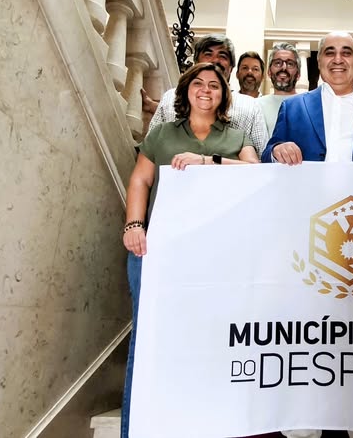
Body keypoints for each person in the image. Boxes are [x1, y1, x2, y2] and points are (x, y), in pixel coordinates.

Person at [120, 62, 259, 438]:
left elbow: (257, 174)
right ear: (185, 91)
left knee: (211, 337)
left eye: (214, 85)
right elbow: (140, 179)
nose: (205, 90)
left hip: (217, 257)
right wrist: (134, 225)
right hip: (158, 250)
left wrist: (209, 161)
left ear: (223, 95)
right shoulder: (162, 133)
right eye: (198, 83)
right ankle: (135, 428)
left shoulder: (237, 135)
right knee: (148, 335)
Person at [262, 31, 353, 167]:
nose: (338, 60)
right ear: (319, 61)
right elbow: (267, 155)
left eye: (346, 53)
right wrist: (277, 151)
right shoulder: (292, 107)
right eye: (330, 53)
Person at [147, 34, 269, 157]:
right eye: (208, 54)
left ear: (231, 68)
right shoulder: (170, 97)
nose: (215, 60)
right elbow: (150, 148)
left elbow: (262, 156)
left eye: (222, 56)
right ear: (196, 62)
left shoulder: (250, 106)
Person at [257, 42, 301, 135]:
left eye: (290, 64)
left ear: (298, 74)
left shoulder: (308, 106)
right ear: (269, 72)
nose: (283, 68)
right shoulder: (256, 106)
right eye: (277, 63)